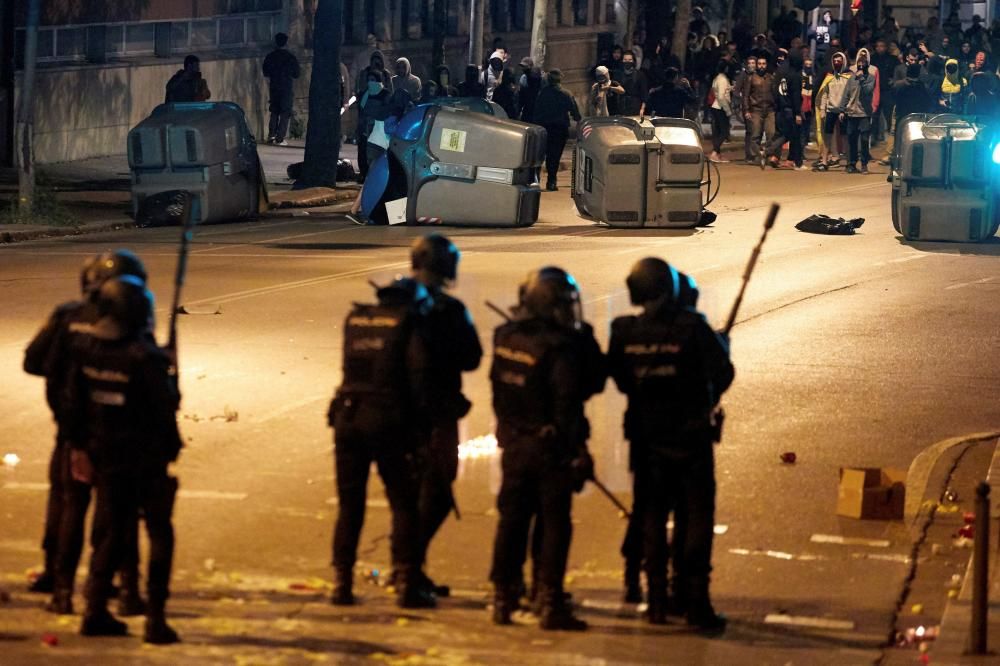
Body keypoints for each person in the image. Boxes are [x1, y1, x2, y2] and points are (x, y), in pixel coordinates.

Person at [608, 258, 733, 629]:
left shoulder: (623, 331)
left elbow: (620, 378)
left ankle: (657, 601)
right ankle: (695, 603)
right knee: (695, 518)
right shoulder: (692, 328)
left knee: (651, 516)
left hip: (646, 439)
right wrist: (721, 348)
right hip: (691, 437)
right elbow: (723, 373)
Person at [23, 251, 148, 617]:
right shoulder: (128, 317)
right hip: (116, 435)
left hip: (70, 427)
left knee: (67, 506)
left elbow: (34, 362)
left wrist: (62, 381)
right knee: (116, 511)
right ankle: (117, 584)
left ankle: (59, 584)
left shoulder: (68, 317)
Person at [62, 275, 183, 644]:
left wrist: (79, 449)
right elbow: (165, 410)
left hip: (105, 457)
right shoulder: (144, 359)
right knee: (159, 532)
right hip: (145, 460)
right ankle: (155, 618)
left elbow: (73, 406)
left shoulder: (88, 349)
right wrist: (172, 374)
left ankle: (95, 609)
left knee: (112, 533)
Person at [489, 267, 602, 631]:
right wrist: (576, 451)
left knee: (513, 521)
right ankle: (549, 599)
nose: (570, 312)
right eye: (564, 305)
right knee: (554, 524)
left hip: (514, 443)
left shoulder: (506, 336)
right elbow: (577, 394)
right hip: (551, 448)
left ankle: (504, 596)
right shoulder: (561, 348)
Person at [328, 278, 436, 609]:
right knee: (404, 503)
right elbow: (419, 380)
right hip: (388, 422)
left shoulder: (357, 319)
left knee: (350, 506)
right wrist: (422, 432)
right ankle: (405, 581)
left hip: (348, 417)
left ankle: (341, 582)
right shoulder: (408, 323)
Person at [410, 235, 482, 596]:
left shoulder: (394, 301)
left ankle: (407, 569)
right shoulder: (448, 309)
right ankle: (408, 570)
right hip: (436, 415)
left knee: (408, 496)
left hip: (398, 414)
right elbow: (472, 357)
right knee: (436, 493)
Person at [531, 69, 581, 192]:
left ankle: (535, 181)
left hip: (544, 127)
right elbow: (575, 113)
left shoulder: (543, 94)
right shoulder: (566, 94)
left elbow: (536, 111)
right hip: (559, 128)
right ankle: (551, 181)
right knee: (554, 156)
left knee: (541, 154)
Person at [354, 50, 393, 181]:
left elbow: (388, 100)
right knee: (364, 147)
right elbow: (361, 101)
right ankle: (364, 172)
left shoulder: (385, 89)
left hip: (378, 124)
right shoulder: (365, 80)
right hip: (366, 122)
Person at [814, 51, 852, 171]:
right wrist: (822, 109)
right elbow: (824, 93)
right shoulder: (829, 77)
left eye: (839, 61)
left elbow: (851, 94)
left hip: (843, 111)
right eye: (834, 61)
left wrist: (845, 109)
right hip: (831, 110)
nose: (836, 63)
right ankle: (824, 161)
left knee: (845, 137)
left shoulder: (849, 77)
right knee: (827, 136)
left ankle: (849, 162)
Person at [261, 33, 301, 146]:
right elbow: (297, 74)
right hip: (286, 87)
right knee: (285, 112)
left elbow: (265, 72)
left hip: (274, 86)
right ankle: (280, 137)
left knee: (274, 111)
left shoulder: (270, 56)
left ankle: (271, 135)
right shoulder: (290, 57)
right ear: (286, 43)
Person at [843, 52, 878, 174]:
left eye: (863, 64)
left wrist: (862, 78)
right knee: (852, 140)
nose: (861, 66)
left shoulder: (871, 78)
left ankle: (864, 164)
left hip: (864, 113)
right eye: (859, 64)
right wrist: (843, 109)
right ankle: (851, 163)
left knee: (864, 140)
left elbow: (868, 91)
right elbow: (846, 94)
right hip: (852, 113)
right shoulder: (851, 78)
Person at [741, 55, 776, 167]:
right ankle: (756, 156)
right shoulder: (751, 78)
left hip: (770, 110)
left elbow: (775, 93)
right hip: (756, 110)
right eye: (759, 64)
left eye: (763, 64)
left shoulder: (770, 77)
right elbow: (745, 95)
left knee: (771, 133)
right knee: (755, 135)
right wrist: (746, 110)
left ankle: (768, 155)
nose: (761, 66)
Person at [773, 52, 804, 169]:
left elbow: (776, 91)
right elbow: (795, 96)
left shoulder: (782, 74)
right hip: (790, 110)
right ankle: (795, 161)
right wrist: (797, 113)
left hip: (781, 108)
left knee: (782, 134)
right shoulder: (795, 76)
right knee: (794, 136)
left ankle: (776, 156)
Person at [870, 40, 897, 142]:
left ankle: (890, 138)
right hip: (875, 90)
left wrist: (893, 80)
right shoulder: (872, 59)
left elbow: (897, 70)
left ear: (886, 47)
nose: (880, 48)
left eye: (882, 46)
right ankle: (874, 136)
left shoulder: (892, 59)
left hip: (887, 91)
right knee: (874, 115)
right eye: (878, 46)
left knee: (889, 114)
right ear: (876, 47)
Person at [708, 60, 732, 163]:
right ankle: (714, 153)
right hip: (720, 107)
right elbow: (721, 96)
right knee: (724, 131)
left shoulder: (717, 78)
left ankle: (717, 154)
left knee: (718, 131)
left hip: (715, 106)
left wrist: (730, 88)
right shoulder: (722, 79)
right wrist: (728, 110)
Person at [616, 50, 649, 116]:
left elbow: (644, 94)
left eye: (630, 60)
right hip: (621, 106)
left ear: (633, 61)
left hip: (635, 106)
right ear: (622, 61)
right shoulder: (618, 74)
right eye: (625, 59)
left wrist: (642, 109)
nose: (627, 61)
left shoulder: (640, 75)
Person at [516, 57, 543, 122]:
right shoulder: (523, 77)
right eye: (522, 66)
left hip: (536, 108)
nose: (523, 68)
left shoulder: (539, 77)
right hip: (527, 108)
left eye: (524, 66)